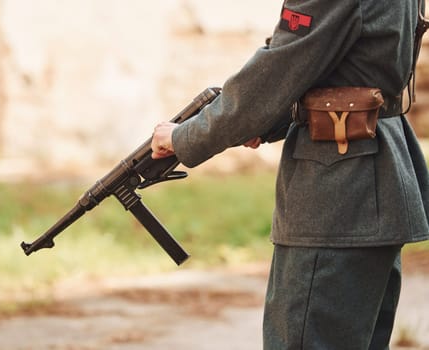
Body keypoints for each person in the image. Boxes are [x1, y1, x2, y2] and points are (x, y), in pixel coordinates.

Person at [151, 0, 429, 349]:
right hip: (374, 186)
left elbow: (280, 68)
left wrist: (185, 136)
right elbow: (351, 65)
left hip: (336, 199)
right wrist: (266, 122)